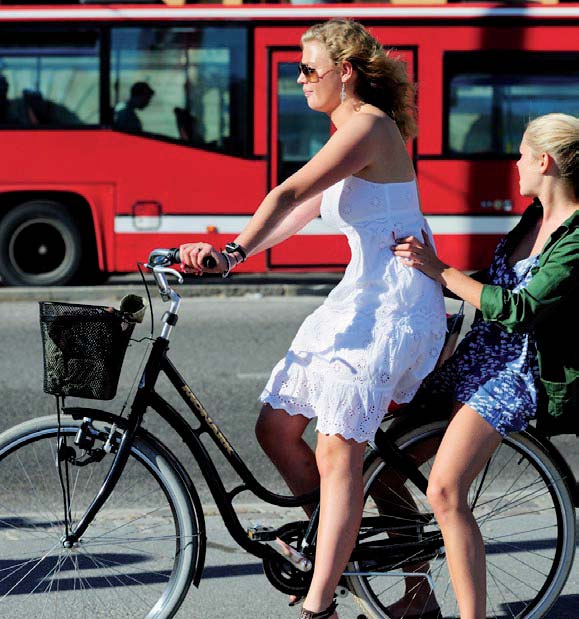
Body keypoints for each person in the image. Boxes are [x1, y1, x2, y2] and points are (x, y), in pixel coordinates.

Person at [179, 19, 446, 619]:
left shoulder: (369, 126)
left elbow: (287, 195)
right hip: (362, 296)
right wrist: (231, 255)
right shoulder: (346, 131)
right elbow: (297, 218)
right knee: (276, 430)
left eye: (307, 69)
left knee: (338, 450)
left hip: (397, 302)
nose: (298, 79)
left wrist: (227, 251)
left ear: (344, 72)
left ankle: (320, 601)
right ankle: (354, 555)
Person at [392, 112, 579, 619]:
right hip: (474, 357)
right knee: (384, 465)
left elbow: (520, 309)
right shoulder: (534, 218)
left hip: (513, 372)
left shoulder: (577, 239)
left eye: (521, 154)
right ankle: (417, 593)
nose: (515, 164)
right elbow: (494, 281)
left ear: (544, 162)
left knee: (445, 491)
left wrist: (440, 269)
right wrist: (426, 279)